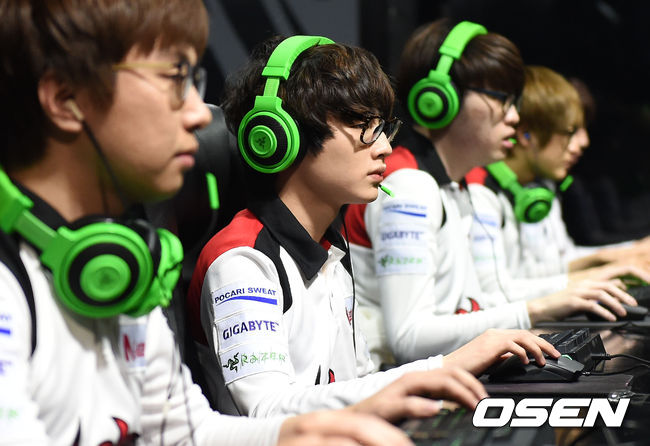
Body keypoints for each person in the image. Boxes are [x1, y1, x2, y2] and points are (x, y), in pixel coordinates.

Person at [0, 2, 478, 444]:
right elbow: (258, 409)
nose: (198, 113)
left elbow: (186, 432)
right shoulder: (10, 286)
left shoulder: (124, 270)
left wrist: (316, 428)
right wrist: (419, 376)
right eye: (175, 79)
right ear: (66, 98)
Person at [186, 33, 559, 418]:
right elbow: (268, 410)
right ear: (282, 135)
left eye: (383, 128)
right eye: (364, 126)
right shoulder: (243, 261)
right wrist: (444, 368)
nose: (384, 147)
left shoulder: (331, 247)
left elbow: (357, 380)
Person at [343, 19, 640, 369]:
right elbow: (409, 339)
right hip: (400, 383)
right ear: (439, 99)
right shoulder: (409, 187)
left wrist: (574, 287)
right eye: (503, 100)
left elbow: (486, 298)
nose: (514, 117)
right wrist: (540, 307)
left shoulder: (456, 186)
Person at [465, 65, 650, 303]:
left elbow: (554, 263)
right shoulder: (480, 191)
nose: (584, 142)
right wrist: (597, 274)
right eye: (570, 132)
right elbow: (493, 291)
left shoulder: (541, 187)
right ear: (526, 135)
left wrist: (626, 253)